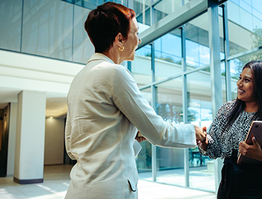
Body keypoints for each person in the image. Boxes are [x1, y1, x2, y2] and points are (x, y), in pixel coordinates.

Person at [64, 2, 206, 199]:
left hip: (80, 189)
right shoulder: (115, 74)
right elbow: (159, 132)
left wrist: (128, 134)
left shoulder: (79, 78)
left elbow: (74, 145)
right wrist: (194, 132)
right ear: (120, 38)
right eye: (136, 32)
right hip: (110, 190)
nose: (139, 40)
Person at [199, 60, 262, 199]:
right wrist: (204, 141)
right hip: (228, 189)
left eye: (246, 80)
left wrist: (261, 155)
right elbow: (214, 148)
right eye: (240, 78)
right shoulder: (226, 110)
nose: (239, 83)